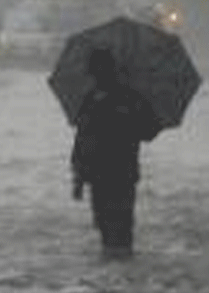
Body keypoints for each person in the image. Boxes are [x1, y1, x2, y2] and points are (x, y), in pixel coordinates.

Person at [71, 48, 160, 261]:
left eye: (102, 69)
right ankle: (115, 267)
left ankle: (122, 267)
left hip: (122, 172)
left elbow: (150, 130)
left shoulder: (130, 98)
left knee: (120, 222)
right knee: (103, 222)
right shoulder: (91, 99)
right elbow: (82, 139)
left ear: (111, 70)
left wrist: (130, 120)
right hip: (98, 174)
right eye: (95, 71)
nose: (98, 75)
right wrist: (79, 178)